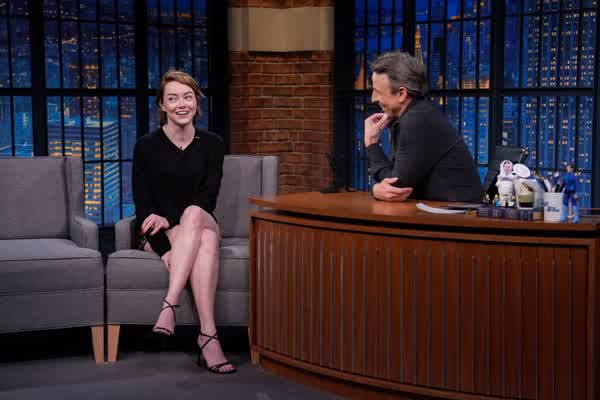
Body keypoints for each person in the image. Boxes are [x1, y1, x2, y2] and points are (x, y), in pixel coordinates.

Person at [132, 69, 235, 374]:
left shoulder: (213, 143)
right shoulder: (146, 146)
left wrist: (169, 218)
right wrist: (166, 249)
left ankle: (169, 305)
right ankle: (208, 337)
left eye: (188, 97)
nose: (182, 104)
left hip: (202, 219)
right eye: (173, 98)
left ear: (197, 102)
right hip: (164, 235)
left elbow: (207, 200)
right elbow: (143, 207)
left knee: (194, 214)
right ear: (162, 105)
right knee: (206, 240)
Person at [363, 51, 482, 202]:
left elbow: (396, 187)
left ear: (401, 94)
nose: (373, 99)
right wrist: (377, 189)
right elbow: (397, 181)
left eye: (377, 92)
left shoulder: (416, 120)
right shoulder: (416, 114)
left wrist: (371, 143)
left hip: (457, 213)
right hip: (443, 209)